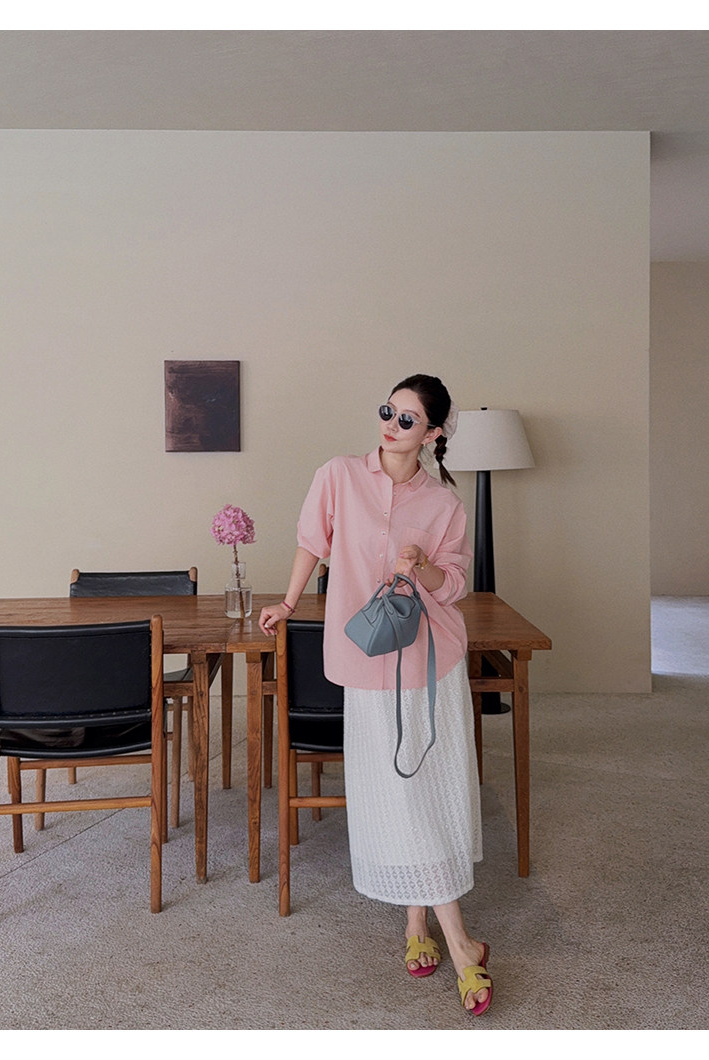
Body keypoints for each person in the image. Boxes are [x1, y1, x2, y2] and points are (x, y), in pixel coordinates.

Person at [259, 374, 492, 1015]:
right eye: (388, 410)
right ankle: (453, 937)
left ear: (434, 433)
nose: (391, 424)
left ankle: (440, 933)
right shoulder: (338, 474)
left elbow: (456, 584)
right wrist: (287, 603)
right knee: (397, 795)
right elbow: (312, 542)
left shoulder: (444, 504)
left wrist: (421, 566)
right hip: (367, 663)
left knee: (425, 791)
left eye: (408, 418)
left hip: (429, 662)